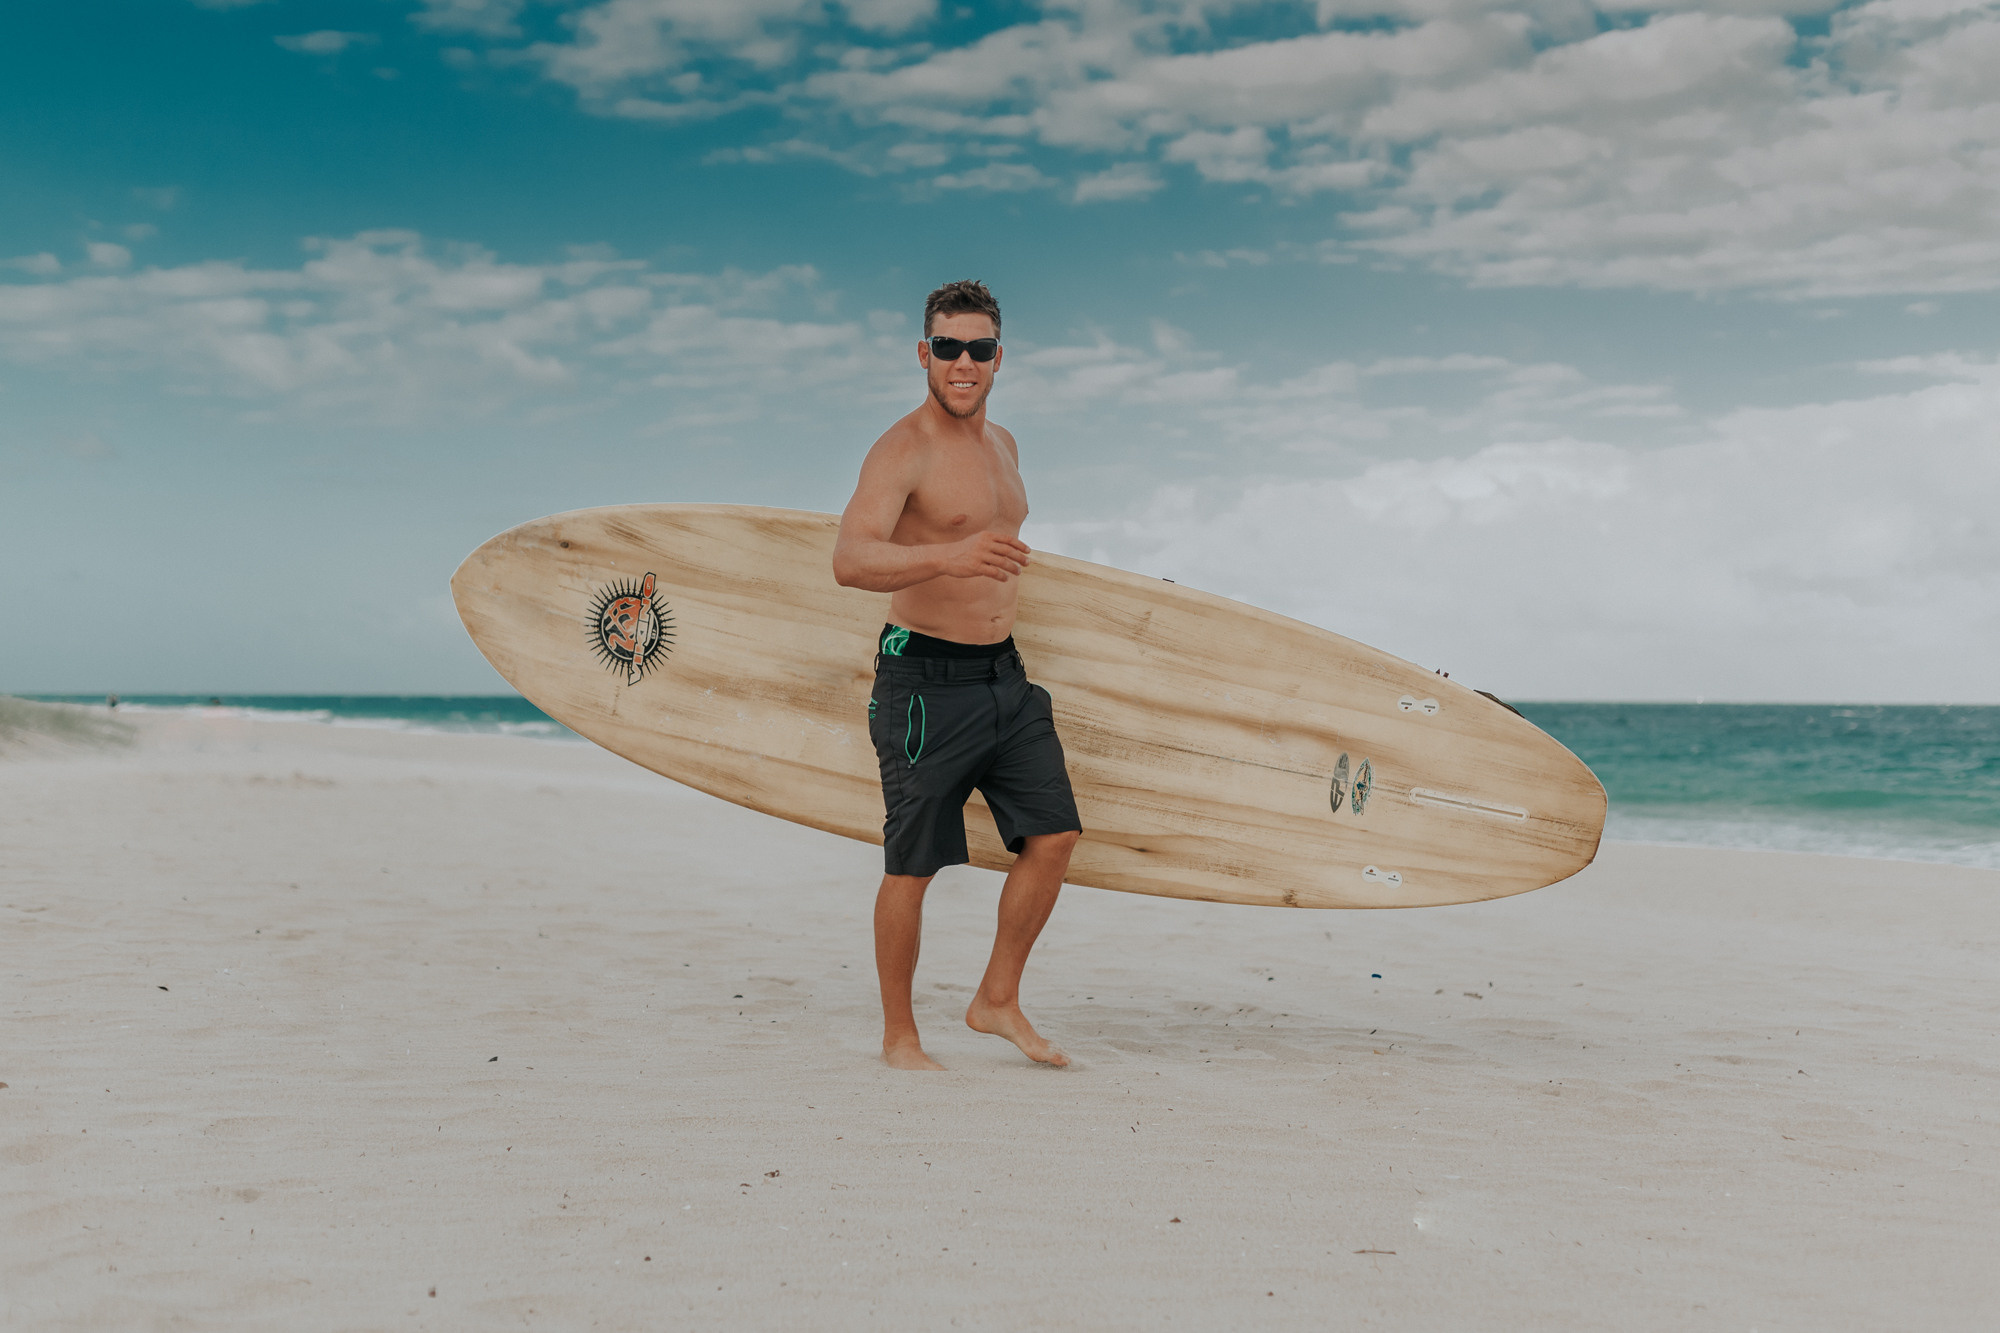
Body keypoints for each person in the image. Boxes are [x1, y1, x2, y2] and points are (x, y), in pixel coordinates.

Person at [832, 280, 1082, 1071]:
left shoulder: (1005, 444)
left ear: (999, 357)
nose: (963, 362)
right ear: (924, 354)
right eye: (948, 347)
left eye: (979, 348)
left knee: (1055, 835)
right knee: (912, 866)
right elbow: (850, 558)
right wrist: (950, 555)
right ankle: (899, 1036)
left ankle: (995, 999)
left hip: (1005, 675)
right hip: (924, 681)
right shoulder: (902, 448)